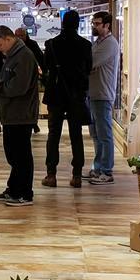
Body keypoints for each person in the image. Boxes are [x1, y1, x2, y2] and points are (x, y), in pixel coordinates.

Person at [0, 25, 38, 206]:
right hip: (12, 113)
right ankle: (13, 189)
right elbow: (11, 81)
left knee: (21, 155)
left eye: (0, 45)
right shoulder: (14, 55)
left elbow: (19, 87)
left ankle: (24, 194)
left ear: (8, 39)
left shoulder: (23, 56)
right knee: (13, 154)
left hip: (20, 114)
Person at [41, 9, 93, 188]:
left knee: (53, 134)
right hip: (76, 94)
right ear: (78, 24)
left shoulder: (51, 44)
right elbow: (88, 68)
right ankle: (76, 175)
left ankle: (51, 175)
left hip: (56, 94)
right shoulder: (85, 45)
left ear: (62, 23)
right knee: (76, 135)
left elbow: (47, 67)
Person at [86, 10, 122, 183]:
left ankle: (107, 171)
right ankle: (98, 168)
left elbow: (90, 63)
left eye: (97, 24)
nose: (94, 26)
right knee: (96, 134)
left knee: (104, 134)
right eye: (93, 23)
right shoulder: (98, 43)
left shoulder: (109, 44)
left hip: (102, 94)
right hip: (93, 94)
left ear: (107, 25)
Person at [14, 27, 44, 133]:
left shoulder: (32, 45)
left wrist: (44, 72)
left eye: (21, 35)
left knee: (32, 101)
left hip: (31, 76)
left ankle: (33, 122)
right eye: (17, 36)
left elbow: (41, 58)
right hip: (17, 77)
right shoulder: (12, 46)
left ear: (26, 35)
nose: (19, 38)